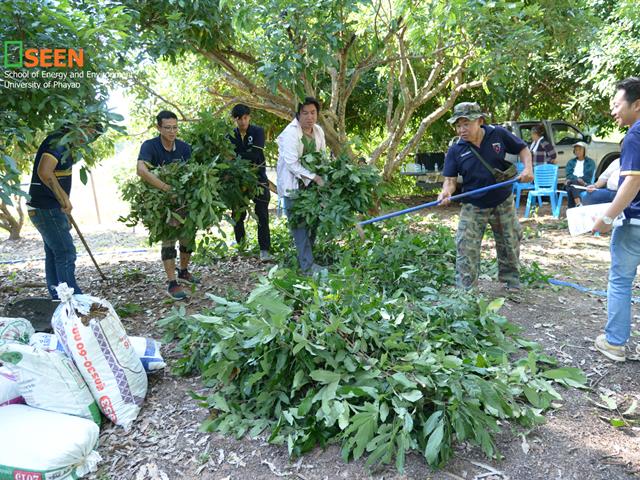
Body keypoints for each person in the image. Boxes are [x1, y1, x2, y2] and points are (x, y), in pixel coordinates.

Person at [438, 102, 533, 291]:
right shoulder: (456, 150)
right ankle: (466, 291)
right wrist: (446, 192)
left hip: (502, 199)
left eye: (466, 124)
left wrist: (528, 168)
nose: (461, 130)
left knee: (509, 241)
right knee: (466, 246)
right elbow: (450, 181)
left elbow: (523, 149)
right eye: (458, 125)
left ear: (480, 121)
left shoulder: (498, 134)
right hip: (474, 203)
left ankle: (511, 283)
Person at [592, 77, 640, 362]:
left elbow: (632, 184)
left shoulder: (635, 134)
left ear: (637, 104)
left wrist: (607, 218)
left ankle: (614, 343)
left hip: (635, 224)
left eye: (617, 104)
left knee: (621, 281)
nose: (614, 110)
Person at [27, 124, 102, 299]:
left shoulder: (67, 145)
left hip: (50, 207)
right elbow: (45, 172)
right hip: (46, 208)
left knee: (54, 252)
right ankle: (72, 297)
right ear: (80, 124)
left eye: (94, 136)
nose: (89, 138)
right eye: (90, 131)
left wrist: (64, 203)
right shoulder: (58, 142)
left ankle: (57, 298)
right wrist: (64, 200)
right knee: (65, 252)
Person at [137, 110, 196, 300]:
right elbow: (141, 169)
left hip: (182, 200)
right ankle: (172, 282)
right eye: (168, 128)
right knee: (169, 239)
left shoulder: (185, 148)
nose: (172, 131)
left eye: (175, 127)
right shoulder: (150, 146)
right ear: (159, 128)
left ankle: (184, 270)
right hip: (162, 202)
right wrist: (164, 187)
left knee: (188, 237)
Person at [276, 97, 326, 274]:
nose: (309, 117)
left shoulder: (318, 131)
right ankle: (307, 267)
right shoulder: (289, 134)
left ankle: (307, 262)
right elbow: (292, 163)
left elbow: (322, 157)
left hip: (312, 188)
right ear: (298, 114)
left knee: (313, 223)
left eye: (313, 113)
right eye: (305, 113)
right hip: (294, 188)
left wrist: (324, 175)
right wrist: (315, 177)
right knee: (300, 227)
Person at [228, 104, 272, 262]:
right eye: (240, 119)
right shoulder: (230, 135)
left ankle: (265, 250)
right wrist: (239, 156)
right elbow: (225, 156)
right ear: (235, 119)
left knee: (262, 214)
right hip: (237, 181)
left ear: (249, 117)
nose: (243, 121)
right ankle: (241, 247)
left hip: (258, 178)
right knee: (237, 214)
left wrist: (234, 156)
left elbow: (255, 154)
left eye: (246, 118)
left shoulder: (257, 131)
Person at [564, 141, 596, 208]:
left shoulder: (590, 162)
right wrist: (577, 179)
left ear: (585, 150)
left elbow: (588, 176)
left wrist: (581, 181)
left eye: (580, 149)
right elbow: (568, 174)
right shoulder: (571, 162)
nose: (577, 151)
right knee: (573, 183)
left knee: (571, 185)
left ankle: (571, 207)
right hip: (573, 182)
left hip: (584, 184)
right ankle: (578, 204)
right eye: (576, 150)